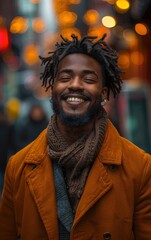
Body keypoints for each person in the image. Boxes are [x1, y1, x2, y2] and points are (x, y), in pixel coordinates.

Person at [0, 34, 151, 240]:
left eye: (88, 79)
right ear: (52, 88)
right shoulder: (17, 168)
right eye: (65, 77)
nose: (75, 85)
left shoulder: (139, 168)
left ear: (104, 93)